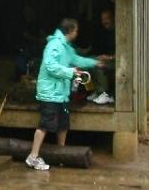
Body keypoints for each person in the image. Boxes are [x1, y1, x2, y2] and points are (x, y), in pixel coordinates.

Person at [25, 18, 104, 171]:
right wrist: (70, 72)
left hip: (61, 93)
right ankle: (32, 157)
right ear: (70, 31)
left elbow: (76, 59)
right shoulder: (54, 45)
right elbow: (50, 66)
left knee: (63, 125)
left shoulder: (66, 47)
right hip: (49, 92)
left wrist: (95, 62)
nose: (77, 33)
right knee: (45, 125)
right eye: (76, 30)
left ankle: (61, 154)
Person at [86, 9, 116, 105]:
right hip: (110, 59)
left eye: (107, 18)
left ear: (114, 18)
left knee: (99, 64)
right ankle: (97, 91)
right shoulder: (106, 32)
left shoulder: (119, 31)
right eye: (103, 19)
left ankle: (106, 94)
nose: (105, 21)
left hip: (121, 62)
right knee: (89, 61)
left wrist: (110, 58)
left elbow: (125, 52)